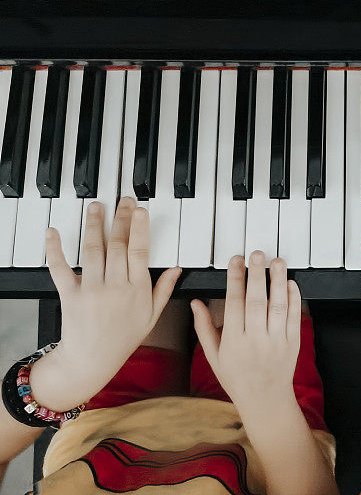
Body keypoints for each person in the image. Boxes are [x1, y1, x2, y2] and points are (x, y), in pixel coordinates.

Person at [0, 198, 338, 495]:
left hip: (102, 426)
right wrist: (269, 403)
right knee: (260, 229)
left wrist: (66, 375)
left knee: (144, 223)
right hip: (269, 444)